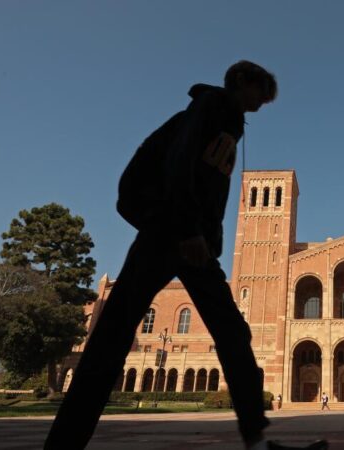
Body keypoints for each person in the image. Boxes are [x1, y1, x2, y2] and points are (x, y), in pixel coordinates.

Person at [44, 61, 326, 450]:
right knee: (114, 339)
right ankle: (65, 441)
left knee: (229, 332)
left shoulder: (228, 119)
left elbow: (208, 185)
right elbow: (180, 165)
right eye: (261, 94)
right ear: (242, 81)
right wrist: (190, 230)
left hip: (190, 239)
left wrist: (209, 237)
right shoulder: (210, 109)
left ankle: (255, 436)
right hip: (172, 233)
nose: (262, 105)